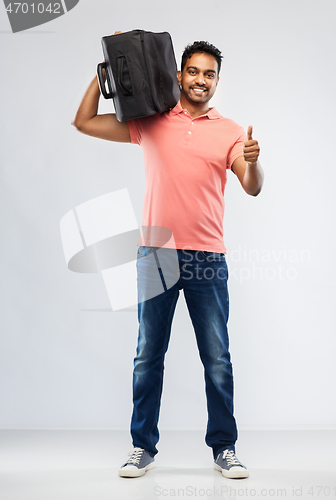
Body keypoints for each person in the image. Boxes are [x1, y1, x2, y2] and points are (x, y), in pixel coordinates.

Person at [73, 34, 263, 479]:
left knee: (217, 358)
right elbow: (83, 122)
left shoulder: (231, 131)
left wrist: (252, 161)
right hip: (155, 256)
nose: (201, 80)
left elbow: (251, 186)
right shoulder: (152, 121)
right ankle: (142, 447)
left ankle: (225, 448)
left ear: (217, 81)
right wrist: (101, 75)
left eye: (209, 74)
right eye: (193, 71)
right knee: (147, 356)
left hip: (207, 258)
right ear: (179, 74)